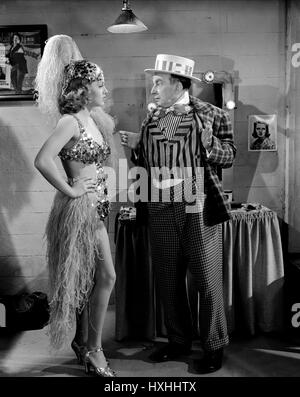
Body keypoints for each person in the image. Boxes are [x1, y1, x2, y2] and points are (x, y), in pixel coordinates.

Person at [120, 54, 236, 374]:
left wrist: (210, 145)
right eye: (153, 83)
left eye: (159, 83)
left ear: (178, 84)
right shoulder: (151, 119)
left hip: (196, 202)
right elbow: (144, 160)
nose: (153, 89)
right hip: (159, 202)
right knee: (168, 277)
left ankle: (214, 346)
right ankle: (178, 342)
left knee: (206, 279)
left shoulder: (212, 115)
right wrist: (135, 152)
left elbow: (229, 156)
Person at [34, 34, 117, 366]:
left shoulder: (93, 120)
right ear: (84, 88)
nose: (105, 89)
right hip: (79, 210)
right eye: (100, 83)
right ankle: (94, 351)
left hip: (97, 208)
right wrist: (70, 190)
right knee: (106, 276)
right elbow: (42, 159)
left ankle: (85, 344)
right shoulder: (69, 121)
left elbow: (99, 164)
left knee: (94, 277)